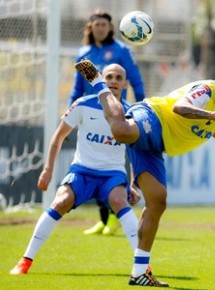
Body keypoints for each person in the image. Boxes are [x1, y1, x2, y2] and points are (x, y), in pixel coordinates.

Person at [74, 59, 215, 287]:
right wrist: (212, 116)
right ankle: (98, 83)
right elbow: (180, 108)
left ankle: (139, 272)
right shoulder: (207, 90)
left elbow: (213, 125)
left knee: (157, 201)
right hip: (153, 115)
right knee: (121, 131)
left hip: (157, 145)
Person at [9, 64, 141, 275]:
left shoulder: (132, 112)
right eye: (109, 77)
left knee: (119, 201)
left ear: (125, 83)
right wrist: (48, 170)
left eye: (119, 78)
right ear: (101, 80)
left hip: (112, 174)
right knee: (60, 201)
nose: (114, 81)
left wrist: (134, 185)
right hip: (82, 171)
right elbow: (58, 137)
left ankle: (143, 265)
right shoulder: (83, 104)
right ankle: (25, 261)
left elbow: (137, 151)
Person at [69, 8, 145, 236]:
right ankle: (105, 220)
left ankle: (115, 213)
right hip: (90, 112)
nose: (100, 28)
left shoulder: (122, 50)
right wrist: (70, 108)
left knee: (112, 160)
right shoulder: (84, 52)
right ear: (90, 27)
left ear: (111, 28)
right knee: (92, 161)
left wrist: (141, 107)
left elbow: (135, 80)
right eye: (96, 24)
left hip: (116, 113)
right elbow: (77, 87)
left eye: (104, 24)